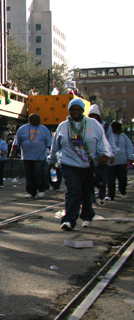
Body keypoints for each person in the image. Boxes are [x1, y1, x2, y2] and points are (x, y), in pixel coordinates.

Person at [49, 99, 112, 231]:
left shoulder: (93, 124)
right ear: (69, 111)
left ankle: (87, 216)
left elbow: (102, 142)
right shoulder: (63, 126)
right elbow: (55, 145)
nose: (76, 112)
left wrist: (104, 154)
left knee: (87, 192)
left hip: (89, 165)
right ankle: (69, 220)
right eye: (73, 109)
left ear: (83, 111)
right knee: (73, 191)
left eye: (78, 109)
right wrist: (52, 161)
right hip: (69, 164)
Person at [11, 113, 52, 199]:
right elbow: (16, 142)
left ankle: (41, 189)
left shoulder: (44, 129)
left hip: (40, 155)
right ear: (31, 120)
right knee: (29, 174)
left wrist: (51, 154)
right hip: (27, 156)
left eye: (39, 119)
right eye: (36, 119)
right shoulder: (22, 129)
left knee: (38, 172)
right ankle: (31, 191)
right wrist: (12, 152)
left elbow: (49, 143)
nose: (39, 121)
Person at [87, 104, 114, 206]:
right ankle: (92, 200)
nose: (93, 118)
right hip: (91, 158)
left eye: (95, 115)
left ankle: (101, 196)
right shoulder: (86, 125)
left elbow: (110, 142)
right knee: (90, 180)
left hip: (104, 158)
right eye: (91, 115)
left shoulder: (106, 127)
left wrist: (110, 154)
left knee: (102, 178)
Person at [106, 121, 133, 201]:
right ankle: (110, 195)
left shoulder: (124, 136)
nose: (120, 129)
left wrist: (130, 157)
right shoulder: (108, 136)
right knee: (110, 180)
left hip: (122, 162)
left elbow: (129, 146)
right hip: (111, 162)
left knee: (122, 179)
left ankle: (123, 191)